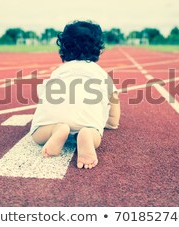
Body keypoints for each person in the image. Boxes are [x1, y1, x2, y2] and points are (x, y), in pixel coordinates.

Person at [29, 21, 120, 169]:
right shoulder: (100, 73)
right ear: (98, 49)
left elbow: (44, 96)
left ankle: (57, 130)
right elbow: (113, 98)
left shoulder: (59, 72)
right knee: (93, 132)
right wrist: (111, 122)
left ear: (63, 47)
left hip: (53, 116)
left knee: (38, 134)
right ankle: (87, 135)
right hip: (87, 119)